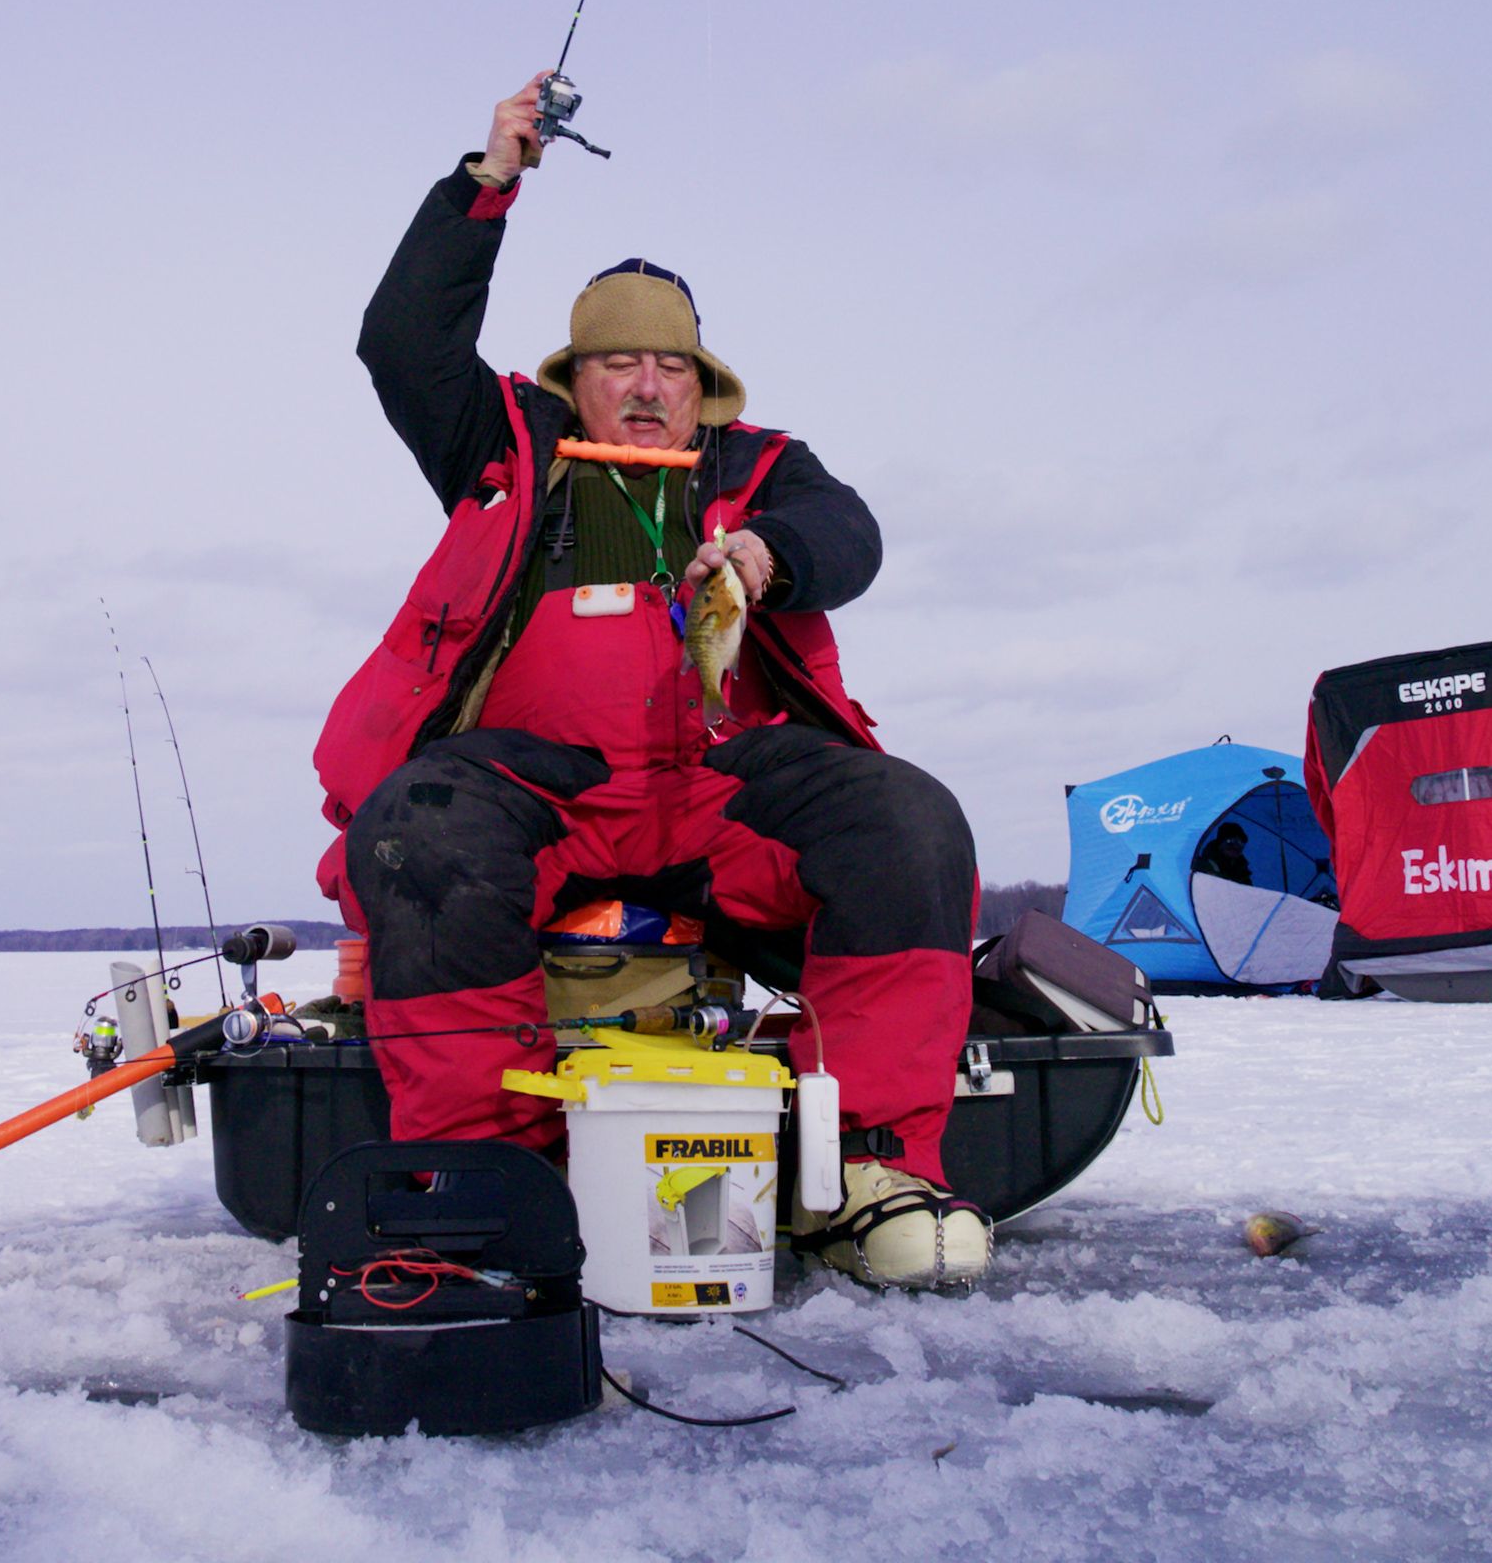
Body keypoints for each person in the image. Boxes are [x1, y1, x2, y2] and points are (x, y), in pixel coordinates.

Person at [310, 72, 990, 1291]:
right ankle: (486, 1177)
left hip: (719, 795)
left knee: (907, 819)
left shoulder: (762, 464)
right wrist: (488, 183)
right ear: (573, 378)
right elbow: (399, 343)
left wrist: (773, 555)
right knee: (420, 827)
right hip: (542, 792)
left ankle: (876, 1167)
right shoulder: (501, 448)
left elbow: (853, 536)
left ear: (701, 384)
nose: (641, 386)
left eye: (666, 367)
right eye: (614, 362)